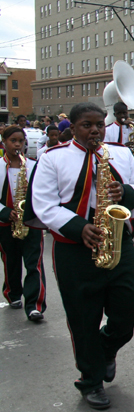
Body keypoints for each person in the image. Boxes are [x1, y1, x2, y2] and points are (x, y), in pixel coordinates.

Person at [25, 102, 134, 410]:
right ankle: (91, 381)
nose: (95, 130)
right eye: (87, 125)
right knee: (83, 319)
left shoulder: (120, 154)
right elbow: (43, 204)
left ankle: (106, 348)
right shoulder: (52, 158)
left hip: (117, 242)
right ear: (74, 128)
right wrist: (79, 228)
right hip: (74, 248)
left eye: (99, 125)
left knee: (132, 303)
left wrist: (127, 193)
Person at [1, 126, 47, 321]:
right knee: (10, 262)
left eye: (21, 141)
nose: (18, 145)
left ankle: (34, 305)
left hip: (30, 222)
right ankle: (13, 293)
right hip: (5, 223)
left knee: (33, 264)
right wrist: (4, 212)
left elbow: (41, 192)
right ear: (4, 142)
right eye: (13, 141)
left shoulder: (33, 165)